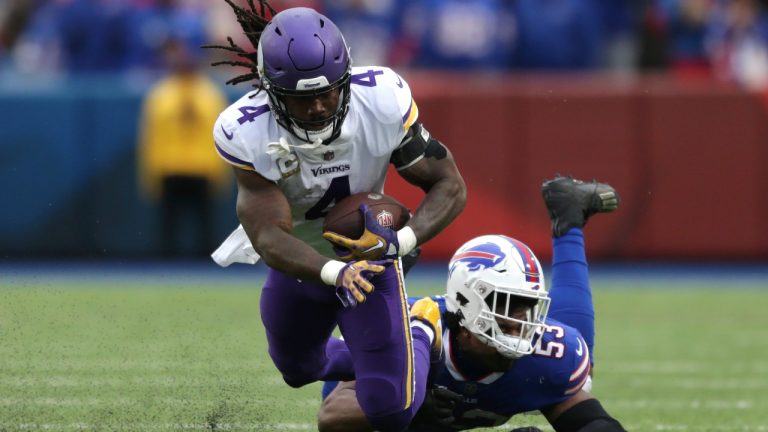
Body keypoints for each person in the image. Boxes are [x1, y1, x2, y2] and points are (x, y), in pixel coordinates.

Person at [206, 2, 466, 431]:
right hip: (302, 259)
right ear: (271, 92)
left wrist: (396, 244)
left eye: (328, 91)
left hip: (372, 257)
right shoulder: (245, 129)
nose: (319, 107)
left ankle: (420, 331)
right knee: (298, 369)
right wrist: (332, 272)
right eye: (302, 98)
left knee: (391, 410)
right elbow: (268, 235)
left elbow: (450, 186)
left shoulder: (382, 99)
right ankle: (402, 345)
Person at [317, 176, 626, 432]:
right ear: (466, 309)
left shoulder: (544, 354)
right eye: (506, 310)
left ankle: (568, 219)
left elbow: (592, 422)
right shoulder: (413, 333)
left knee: (578, 364)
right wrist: (407, 400)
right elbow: (332, 416)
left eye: (526, 308)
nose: (520, 325)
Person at [138, 37, 231, 257]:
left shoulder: (208, 93)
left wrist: (221, 172)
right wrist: (150, 173)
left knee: (205, 226)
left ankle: (206, 269)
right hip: (171, 166)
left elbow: (223, 136)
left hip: (201, 167)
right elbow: (152, 138)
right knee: (168, 225)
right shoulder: (161, 94)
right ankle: (166, 268)